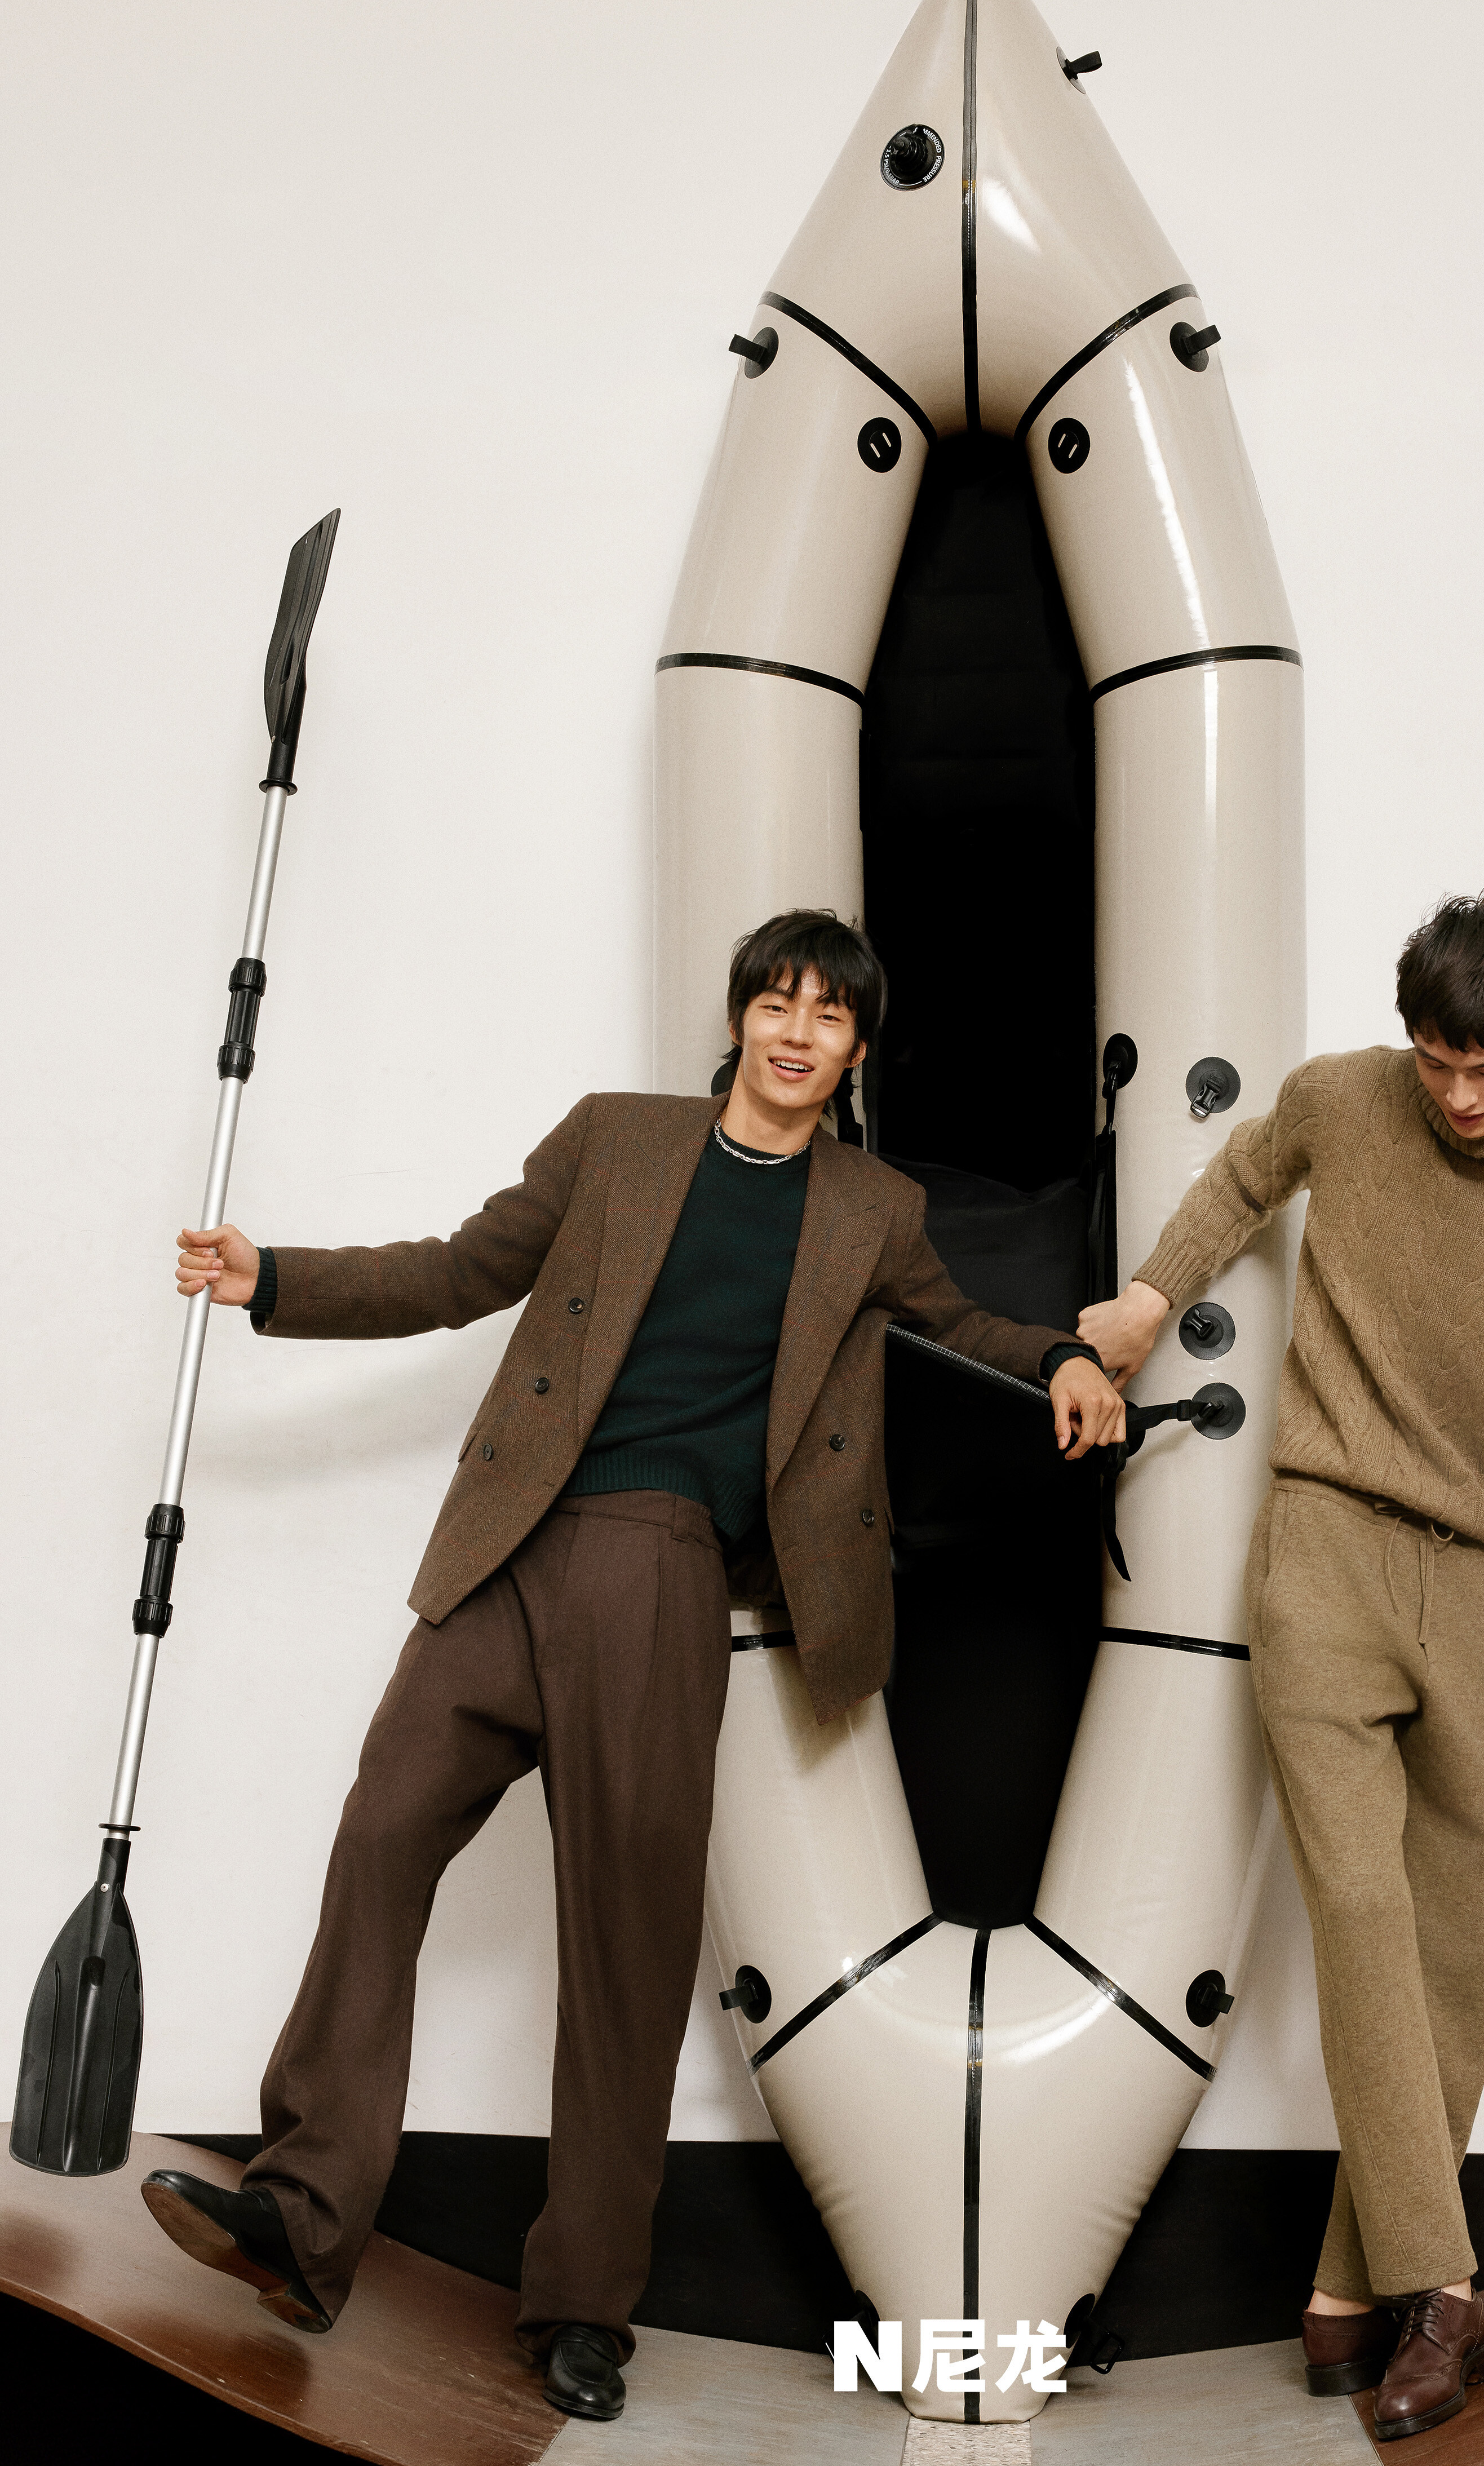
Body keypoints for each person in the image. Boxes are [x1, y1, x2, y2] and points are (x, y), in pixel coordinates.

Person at [140, 909, 1124, 2423]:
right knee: (383, 1836)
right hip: (507, 1547)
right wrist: (276, 1278)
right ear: (737, 1019)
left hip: (665, 1568)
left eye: (830, 1017)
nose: (797, 1033)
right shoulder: (617, 1140)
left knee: (625, 1942)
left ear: (856, 1053)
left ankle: (585, 2306)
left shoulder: (870, 1209)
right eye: (777, 1004)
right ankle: (302, 2212)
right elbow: (459, 1271)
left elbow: (960, 1324)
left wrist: (1061, 1356)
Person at [1080, 895, 1484, 2443]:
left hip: (1478, 1584)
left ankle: (1349, 2301)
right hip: (1325, 1548)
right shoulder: (1342, 1098)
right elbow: (1242, 1176)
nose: (1458, 1096)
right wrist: (1147, 1301)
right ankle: (1441, 2289)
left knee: (1463, 1940)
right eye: (1436, 1062)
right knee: (1360, 1910)